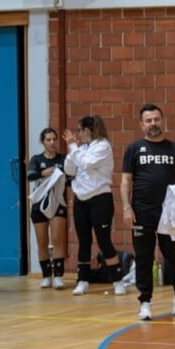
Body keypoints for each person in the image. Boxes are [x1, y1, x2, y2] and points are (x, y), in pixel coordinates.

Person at [121, 104, 175, 321]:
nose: (153, 123)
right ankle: (145, 303)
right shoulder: (134, 149)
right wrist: (126, 207)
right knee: (143, 256)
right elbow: (125, 180)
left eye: (156, 119)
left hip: (169, 213)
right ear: (141, 124)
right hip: (142, 212)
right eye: (149, 120)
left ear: (162, 120)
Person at [63, 115, 125, 297]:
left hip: (100, 198)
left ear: (88, 130)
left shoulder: (103, 146)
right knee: (83, 240)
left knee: (103, 240)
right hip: (81, 199)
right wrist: (72, 150)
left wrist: (73, 148)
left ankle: (118, 280)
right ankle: (82, 280)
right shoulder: (80, 148)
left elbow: (87, 164)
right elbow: (69, 169)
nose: (77, 134)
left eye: (80, 130)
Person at [28, 127, 69, 289]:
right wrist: (44, 173)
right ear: (43, 142)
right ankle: (46, 275)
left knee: (57, 239)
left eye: (54, 139)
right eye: (48, 139)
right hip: (40, 202)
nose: (52, 142)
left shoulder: (63, 159)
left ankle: (58, 276)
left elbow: (71, 177)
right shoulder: (37, 159)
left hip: (57, 201)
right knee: (42, 241)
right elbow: (30, 175)